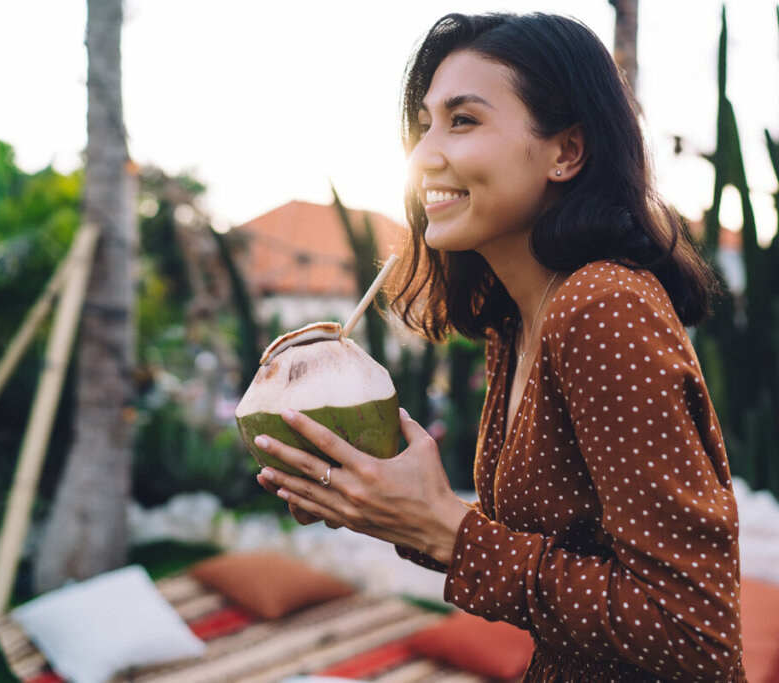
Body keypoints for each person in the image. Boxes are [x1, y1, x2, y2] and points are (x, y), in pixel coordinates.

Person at [254, 12, 746, 682]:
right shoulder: (514, 325)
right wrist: (390, 510)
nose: (425, 153)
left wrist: (447, 530)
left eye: (463, 120)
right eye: (425, 123)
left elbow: (691, 629)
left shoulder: (602, 306)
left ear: (566, 151)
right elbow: (545, 553)